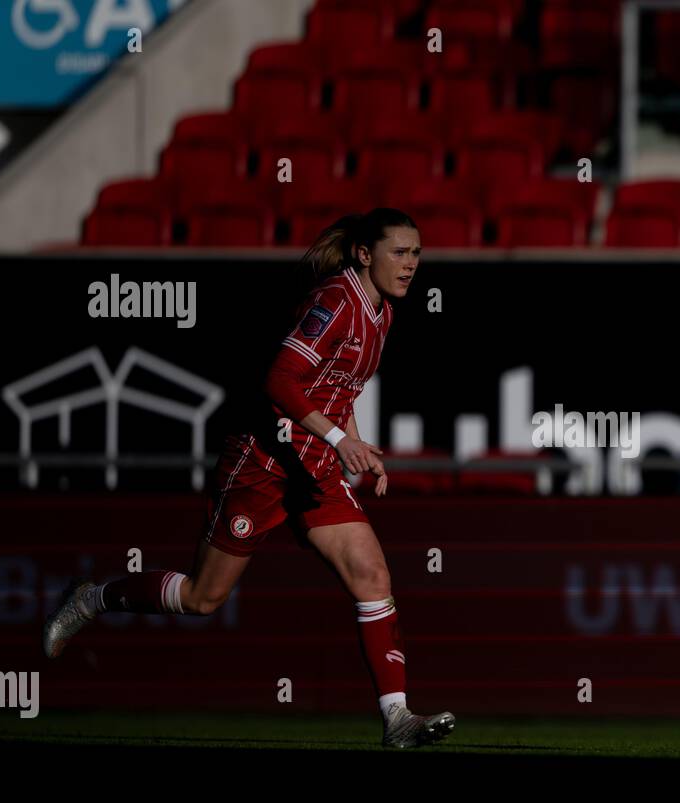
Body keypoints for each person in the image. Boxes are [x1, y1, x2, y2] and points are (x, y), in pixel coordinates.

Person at [42, 209, 455, 750]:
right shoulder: (336, 302)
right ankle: (94, 598)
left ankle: (397, 718)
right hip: (263, 462)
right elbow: (280, 379)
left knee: (371, 575)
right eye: (399, 252)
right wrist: (340, 440)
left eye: (416, 253)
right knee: (202, 597)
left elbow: (340, 387)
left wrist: (356, 449)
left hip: (316, 469)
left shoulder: (382, 315)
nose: (409, 264)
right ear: (363, 253)